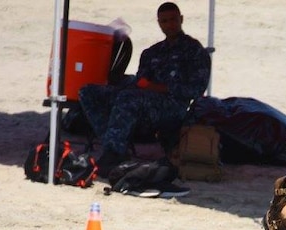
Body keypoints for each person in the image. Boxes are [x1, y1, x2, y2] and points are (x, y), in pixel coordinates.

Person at [78, 2, 211, 175]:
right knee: (88, 92)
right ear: (159, 23)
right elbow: (140, 81)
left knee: (128, 98)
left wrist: (157, 87)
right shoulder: (152, 52)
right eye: (164, 21)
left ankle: (113, 155)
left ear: (181, 19)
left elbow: (196, 90)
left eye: (173, 20)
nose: (169, 25)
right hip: (143, 100)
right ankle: (115, 146)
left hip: (173, 107)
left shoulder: (195, 51)